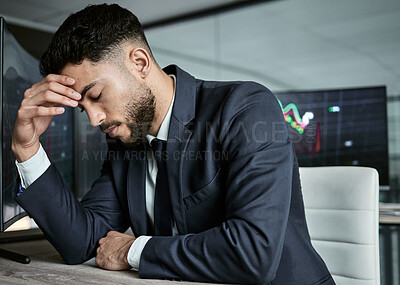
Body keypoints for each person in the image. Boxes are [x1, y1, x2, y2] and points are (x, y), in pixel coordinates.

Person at [12, 4, 334, 284]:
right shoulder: (127, 143)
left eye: (96, 96)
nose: (94, 119)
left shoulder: (246, 108)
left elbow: (253, 253)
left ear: (139, 63)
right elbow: (82, 242)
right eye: (83, 108)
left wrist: (134, 250)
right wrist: (28, 149)